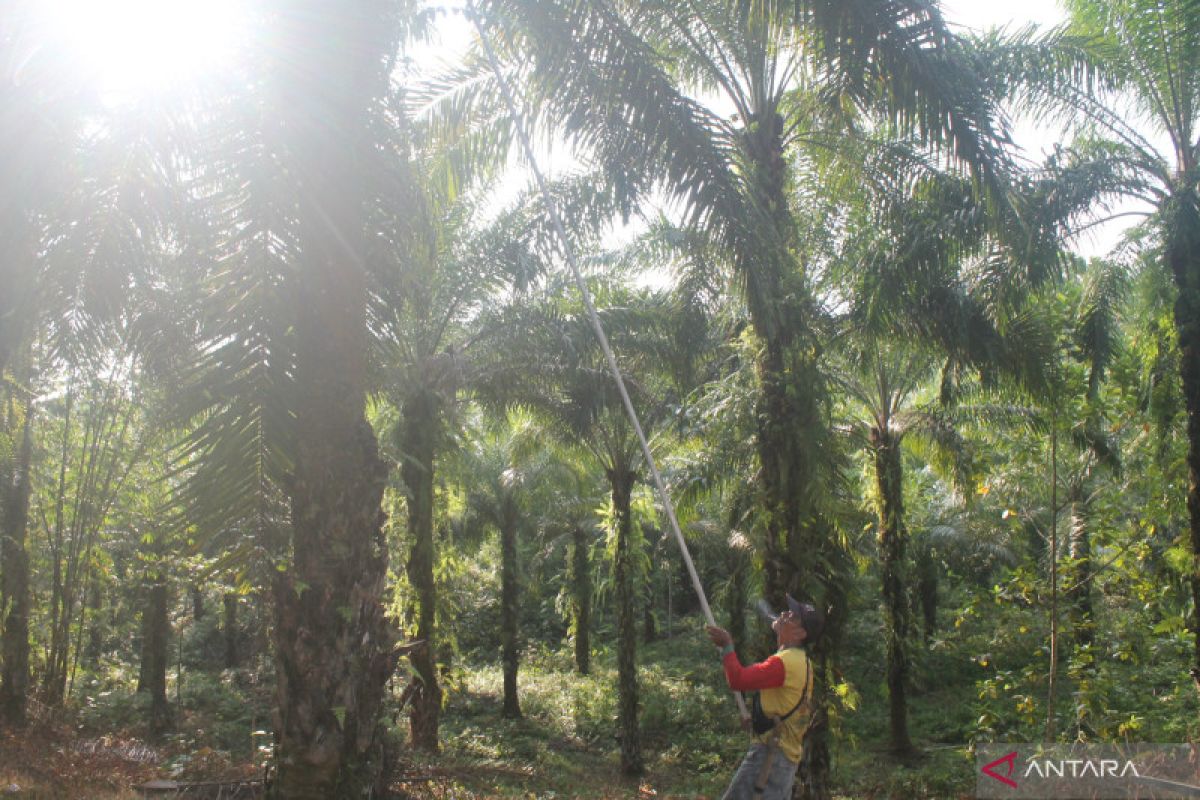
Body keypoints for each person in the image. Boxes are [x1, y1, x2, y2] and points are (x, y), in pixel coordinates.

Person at [706, 595, 824, 800]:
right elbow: (785, 707)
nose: (785, 614)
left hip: (771, 757)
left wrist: (727, 646)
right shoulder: (801, 661)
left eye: (793, 616)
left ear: (801, 633)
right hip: (783, 757)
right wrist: (759, 720)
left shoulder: (785, 663)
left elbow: (738, 679)